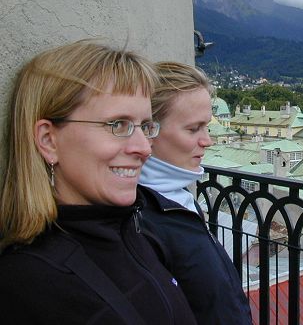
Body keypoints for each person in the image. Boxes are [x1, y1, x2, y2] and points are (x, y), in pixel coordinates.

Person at [0, 40, 197, 325]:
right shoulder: (26, 282)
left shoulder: (138, 234)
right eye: (118, 125)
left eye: (145, 126)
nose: (144, 148)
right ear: (48, 140)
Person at [139, 62, 253, 325]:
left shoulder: (177, 200)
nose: (207, 141)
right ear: (148, 130)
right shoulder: (141, 219)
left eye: (207, 127)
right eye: (193, 129)